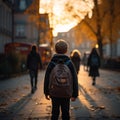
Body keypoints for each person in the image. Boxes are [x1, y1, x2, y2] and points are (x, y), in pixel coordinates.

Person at [44, 39, 78, 120]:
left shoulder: (52, 62)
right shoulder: (69, 63)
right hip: (66, 92)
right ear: (66, 50)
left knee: (55, 113)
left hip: (54, 92)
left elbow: (47, 78)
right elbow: (74, 78)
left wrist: (46, 92)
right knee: (66, 112)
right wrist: (75, 94)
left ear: (55, 50)